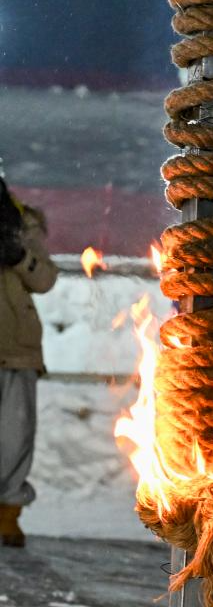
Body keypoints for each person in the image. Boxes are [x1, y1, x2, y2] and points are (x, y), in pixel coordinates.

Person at [0, 176, 58, 547]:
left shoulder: (22, 221)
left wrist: (20, 257)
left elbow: (45, 279)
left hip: (17, 349)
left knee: (14, 439)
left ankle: (7, 515)